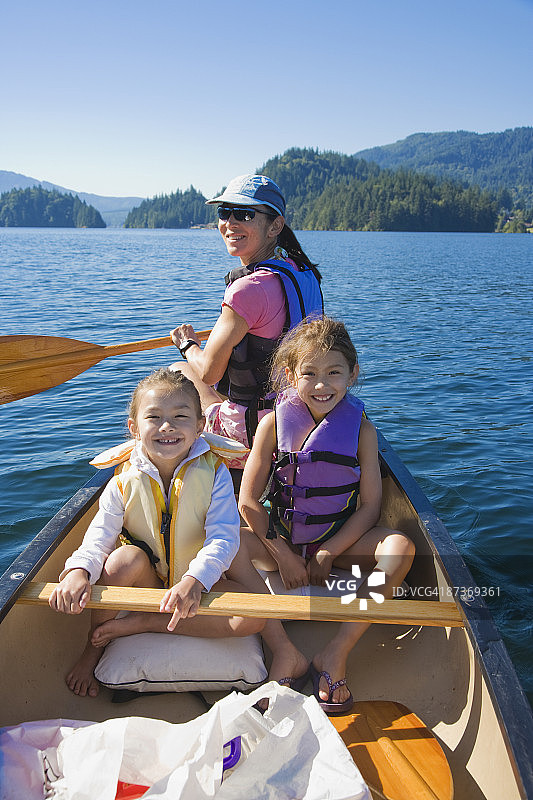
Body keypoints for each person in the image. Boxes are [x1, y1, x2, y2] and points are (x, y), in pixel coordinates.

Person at [230, 317, 415, 714]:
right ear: (289, 374)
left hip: (340, 540)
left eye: (334, 373)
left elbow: (369, 507)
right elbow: (247, 502)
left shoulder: (363, 431)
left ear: (353, 374)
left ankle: (337, 651)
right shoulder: (270, 426)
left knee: (400, 548)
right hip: (280, 539)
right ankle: (285, 652)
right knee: (227, 546)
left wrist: (329, 551)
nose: (321, 385)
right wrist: (280, 552)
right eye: (309, 373)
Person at [49, 368, 263, 697]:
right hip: (147, 582)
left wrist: (195, 581)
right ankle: (93, 649)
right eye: (154, 417)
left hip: (197, 584)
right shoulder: (122, 480)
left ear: (199, 426)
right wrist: (77, 571)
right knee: (121, 560)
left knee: (254, 616)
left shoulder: (215, 472)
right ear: (134, 428)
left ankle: (144, 622)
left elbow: (223, 537)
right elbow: (98, 537)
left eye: (180, 416)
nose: (168, 427)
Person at [170, 174, 323, 458]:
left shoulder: (247, 290)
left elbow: (208, 372)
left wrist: (187, 345)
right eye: (224, 212)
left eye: (244, 214)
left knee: (179, 372)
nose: (230, 223)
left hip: (255, 432)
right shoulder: (304, 273)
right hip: (301, 415)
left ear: (275, 225)